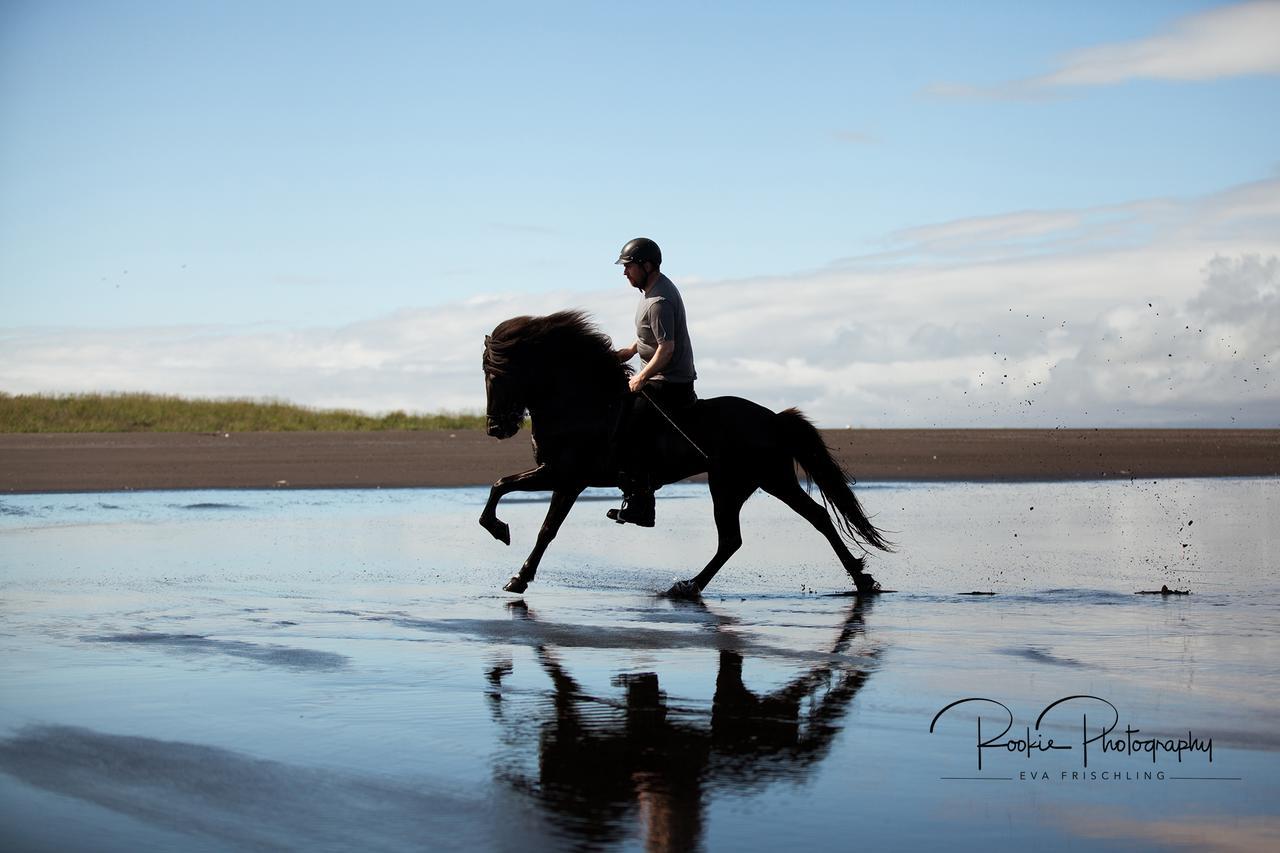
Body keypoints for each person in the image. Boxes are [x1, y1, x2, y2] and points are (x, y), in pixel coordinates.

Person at [608, 237, 697, 527]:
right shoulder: (649, 291)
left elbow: (666, 348)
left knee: (629, 426)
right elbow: (650, 335)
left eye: (629, 267)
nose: (625, 273)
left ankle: (642, 504)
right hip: (658, 374)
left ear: (647, 266)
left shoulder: (659, 300)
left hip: (670, 381)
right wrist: (630, 351)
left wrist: (640, 377)